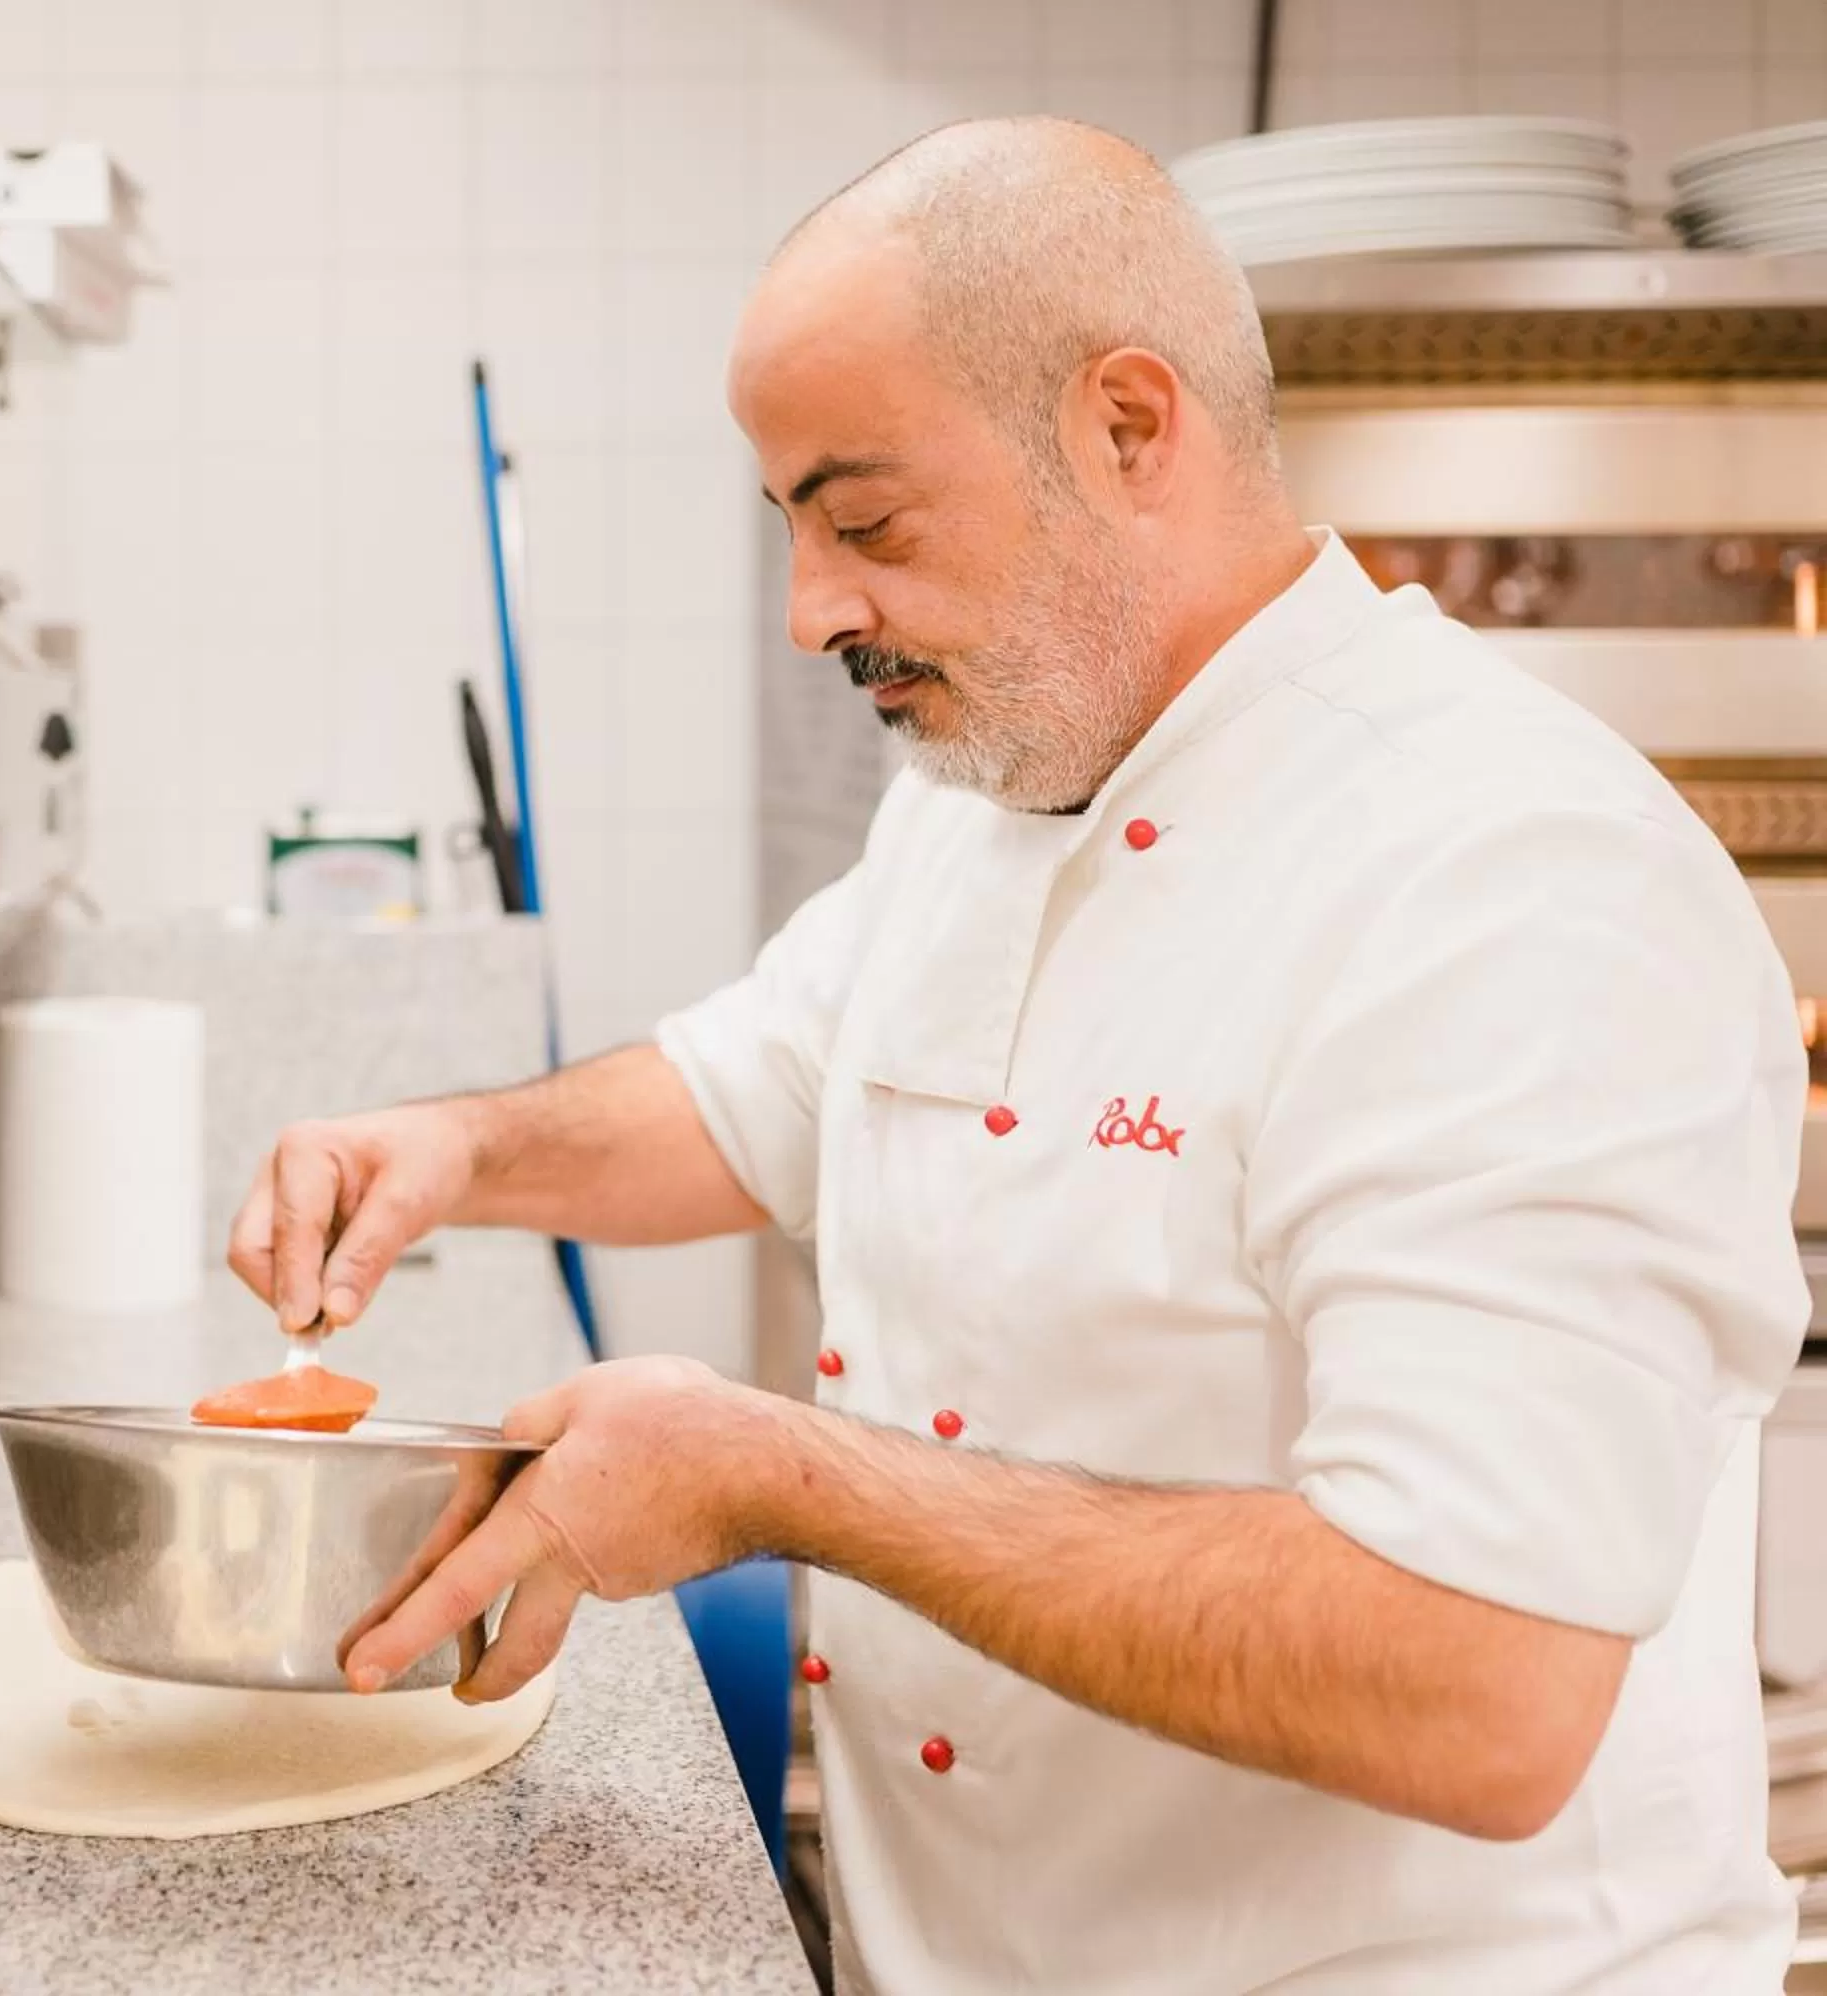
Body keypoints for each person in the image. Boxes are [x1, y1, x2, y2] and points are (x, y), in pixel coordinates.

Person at [227, 119, 1804, 1991]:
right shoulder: (999, 785)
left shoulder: (1510, 880)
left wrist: (776, 1477)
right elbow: (768, 1091)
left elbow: (1481, 1684)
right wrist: (462, 1148)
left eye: (864, 519)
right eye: (791, 529)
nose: (812, 608)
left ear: (1129, 429)